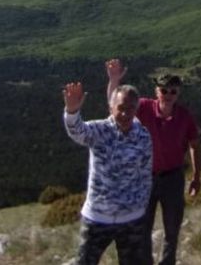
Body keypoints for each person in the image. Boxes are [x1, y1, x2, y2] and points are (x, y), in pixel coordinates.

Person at [106, 59, 201, 265]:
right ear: (156, 91)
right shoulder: (144, 107)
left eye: (173, 91)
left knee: (172, 228)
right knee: (143, 228)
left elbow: (194, 145)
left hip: (173, 177)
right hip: (145, 178)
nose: (168, 95)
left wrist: (196, 176)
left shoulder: (185, 116)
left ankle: (168, 262)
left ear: (179, 93)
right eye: (164, 90)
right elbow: (116, 104)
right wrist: (114, 80)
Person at [63, 81, 153, 265]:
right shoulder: (99, 130)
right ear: (110, 107)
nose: (125, 113)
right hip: (97, 217)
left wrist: (139, 206)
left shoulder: (143, 136)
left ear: (136, 109)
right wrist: (72, 112)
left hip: (131, 218)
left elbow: (145, 175)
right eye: (120, 108)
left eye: (130, 108)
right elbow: (78, 132)